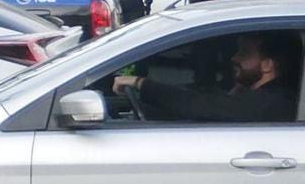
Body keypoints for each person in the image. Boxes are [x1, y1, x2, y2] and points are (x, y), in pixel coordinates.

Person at [114, 31, 301, 123]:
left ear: (268, 65)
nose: (234, 58)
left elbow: (200, 105)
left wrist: (140, 83)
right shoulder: (266, 97)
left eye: (245, 53)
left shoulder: (273, 102)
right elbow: (206, 98)